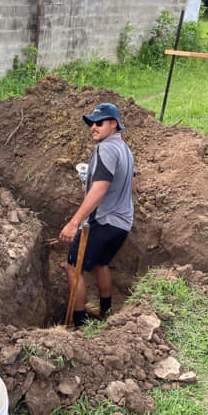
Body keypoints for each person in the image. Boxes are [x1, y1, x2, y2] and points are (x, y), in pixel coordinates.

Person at [59, 103, 135, 327]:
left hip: (104, 220)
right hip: (123, 222)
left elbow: (100, 188)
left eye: (99, 122)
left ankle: (80, 325)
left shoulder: (106, 149)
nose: (93, 126)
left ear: (114, 124)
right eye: (91, 123)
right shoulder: (125, 150)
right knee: (102, 264)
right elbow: (131, 184)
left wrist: (74, 223)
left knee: (72, 268)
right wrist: (89, 181)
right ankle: (106, 312)